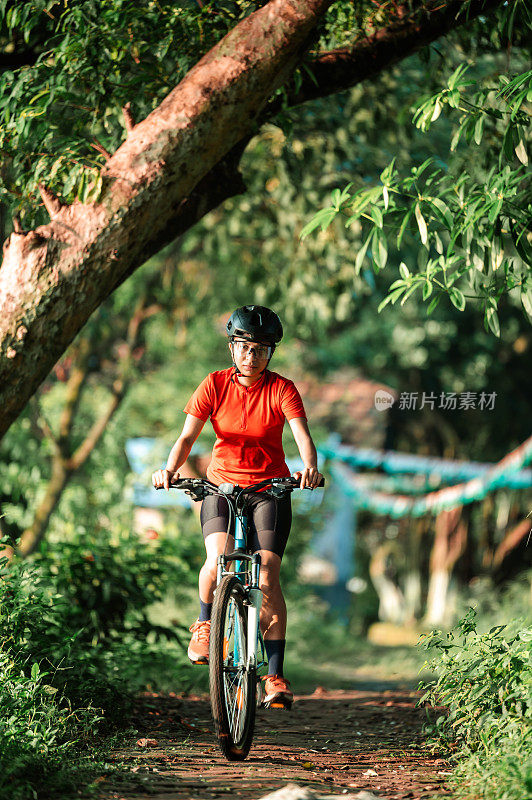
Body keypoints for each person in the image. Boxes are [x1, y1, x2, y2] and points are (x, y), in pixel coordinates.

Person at [152, 305, 322, 708]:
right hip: (221, 486)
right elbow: (186, 438)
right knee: (217, 560)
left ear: (271, 353)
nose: (252, 355)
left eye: (262, 349)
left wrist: (309, 469)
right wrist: (168, 469)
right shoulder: (213, 384)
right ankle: (205, 626)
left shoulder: (282, 389)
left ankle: (275, 676)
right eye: (245, 346)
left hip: (270, 489)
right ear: (232, 348)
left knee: (268, 574)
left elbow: (302, 437)